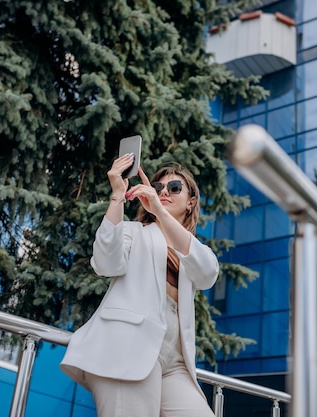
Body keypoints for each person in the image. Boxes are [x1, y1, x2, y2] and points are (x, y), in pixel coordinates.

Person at [60, 153, 219, 417]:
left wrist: (160, 211)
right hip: (128, 346)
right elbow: (105, 263)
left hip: (175, 361)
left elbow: (208, 274)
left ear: (191, 202)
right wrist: (117, 196)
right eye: (158, 188)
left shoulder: (191, 249)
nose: (164, 192)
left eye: (174, 188)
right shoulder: (134, 231)